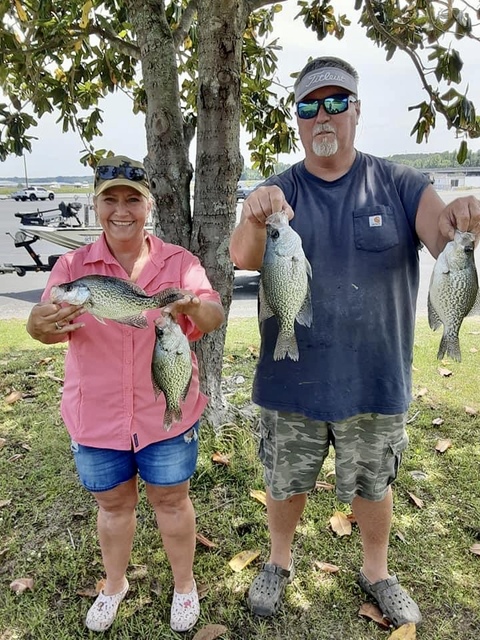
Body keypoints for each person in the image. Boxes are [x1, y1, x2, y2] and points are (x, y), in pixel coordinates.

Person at [229, 56, 480, 627]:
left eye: (337, 102)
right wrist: (252, 214)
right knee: (284, 480)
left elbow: (445, 241)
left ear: (357, 112)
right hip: (291, 376)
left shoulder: (399, 183)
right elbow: (242, 257)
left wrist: (464, 220)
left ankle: (376, 570)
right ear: (296, 117)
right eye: (310, 104)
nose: (324, 115)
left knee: (374, 484)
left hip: (375, 378)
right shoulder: (279, 191)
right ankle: (278, 561)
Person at [27, 155, 224, 633]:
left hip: (166, 414)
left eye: (132, 199)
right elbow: (48, 323)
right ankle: (114, 584)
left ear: (148, 204)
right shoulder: (72, 267)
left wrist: (194, 305)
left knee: (173, 502)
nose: (122, 210)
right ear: (96, 205)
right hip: (96, 418)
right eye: (110, 199)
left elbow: (213, 317)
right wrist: (37, 324)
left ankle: (184, 586)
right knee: (113, 507)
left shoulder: (179, 262)